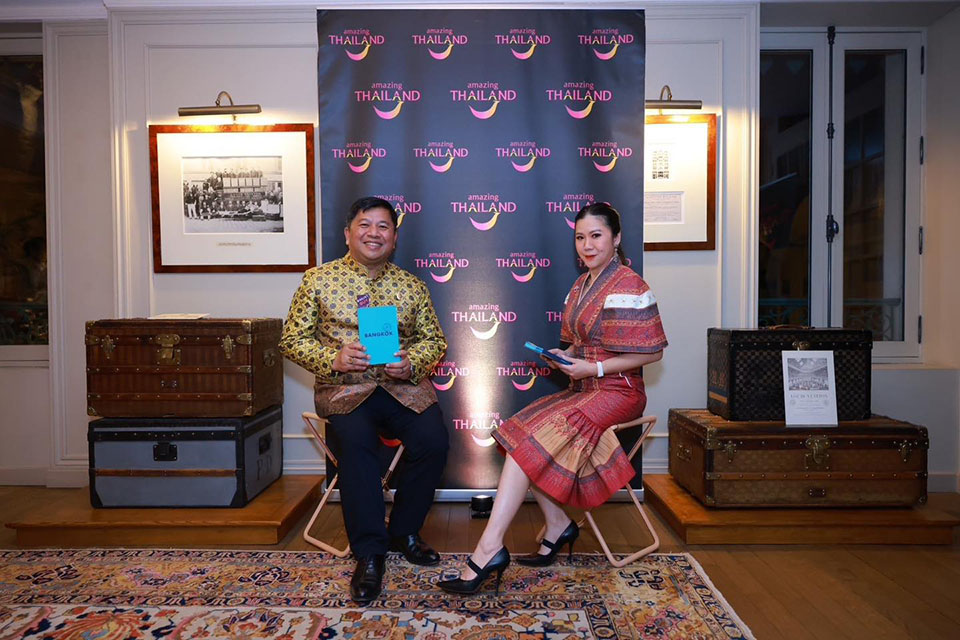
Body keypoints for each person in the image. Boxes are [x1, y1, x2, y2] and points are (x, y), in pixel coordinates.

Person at [437, 202, 667, 595]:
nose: (587, 245)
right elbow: (582, 344)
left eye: (596, 236)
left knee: (533, 444)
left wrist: (593, 368)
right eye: (580, 237)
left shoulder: (630, 285)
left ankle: (489, 548)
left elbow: (652, 353)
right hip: (583, 388)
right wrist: (566, 357)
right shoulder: (581, 285)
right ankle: (559, 525)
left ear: (616, 238)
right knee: (516, 434)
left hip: (619, 392)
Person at [279, 196, 450, 605]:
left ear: (394, 237)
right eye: (365, 224)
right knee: (356, 447)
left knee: (434, 441)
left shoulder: (412, 286)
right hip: (345, 391)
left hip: (401, 389)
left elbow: (434, 340)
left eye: (383, 226)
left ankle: (404, 531)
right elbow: (291, 339)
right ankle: (370, 553)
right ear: (348, 233)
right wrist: (332, 359)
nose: (374, 233)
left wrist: (412, 363)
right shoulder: (317, 281)